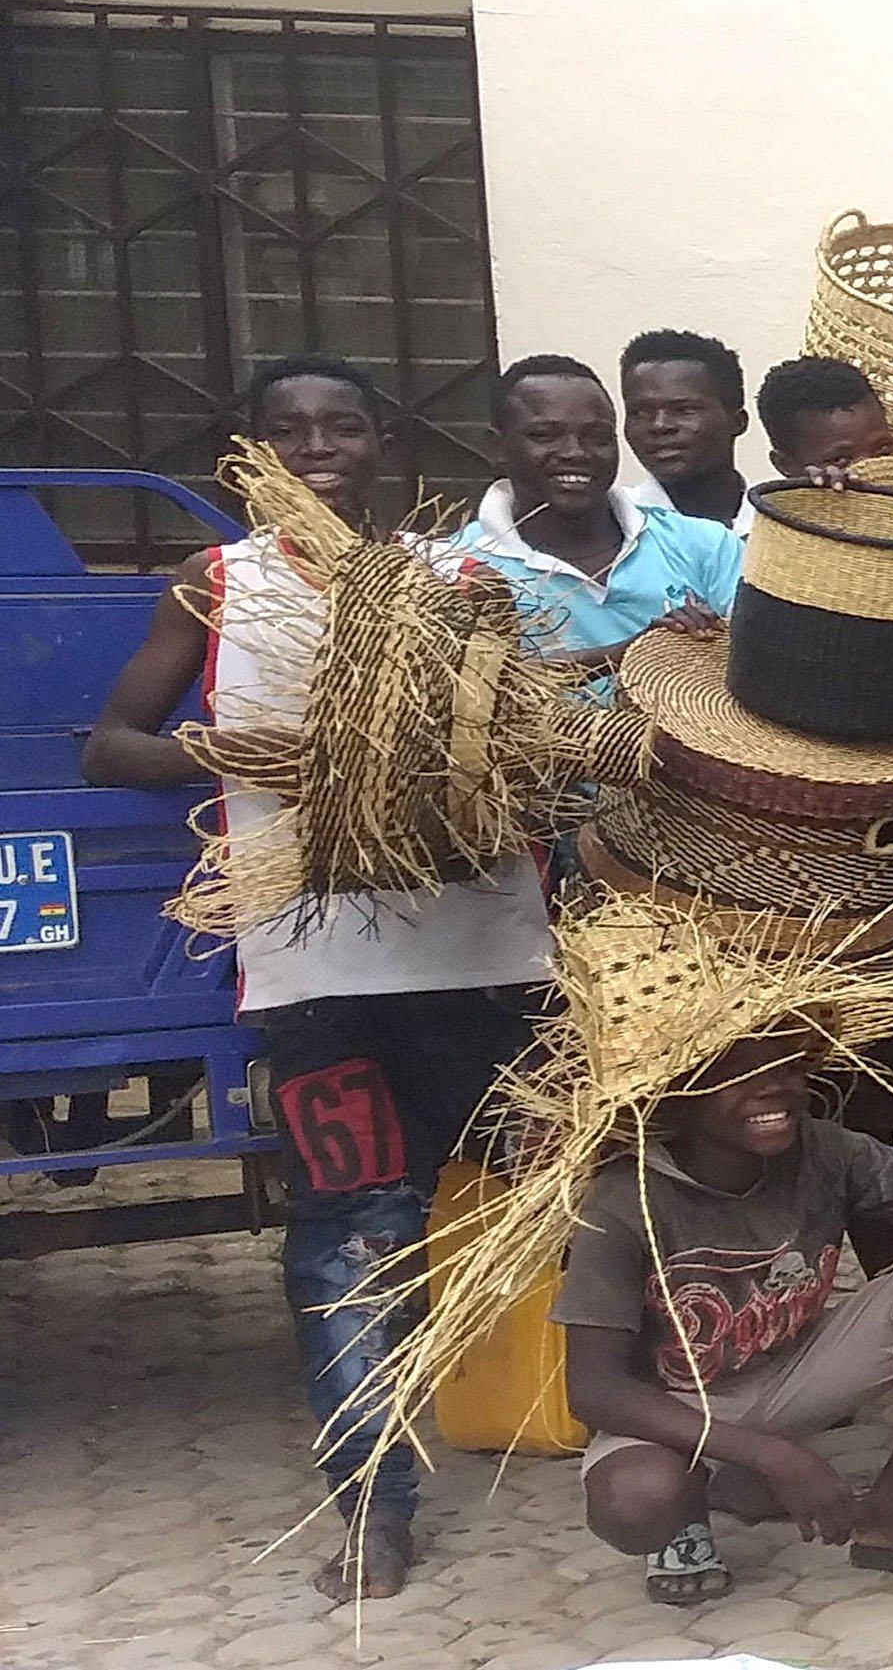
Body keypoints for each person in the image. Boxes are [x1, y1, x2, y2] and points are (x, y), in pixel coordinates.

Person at [83, 356, 556, 1602]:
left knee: (572, 1203)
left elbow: (527, 751)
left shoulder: (459, 579)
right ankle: (371, 1504)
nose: (319, 445)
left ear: (384, 442)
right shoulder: (218, 584)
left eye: (343, 423)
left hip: (489, 960)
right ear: (252, 452)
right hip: (316, 974)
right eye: (289, 429)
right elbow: (108, 746)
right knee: (351, 1235)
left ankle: (648, 1457)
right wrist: (254, 752)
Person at [560, 1028, 893, 1603]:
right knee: (635, 1504)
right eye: (744, 1077)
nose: (775, 1091)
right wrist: (774, 1456)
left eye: (787, 1070)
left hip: (799, 1366)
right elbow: (593, 1390)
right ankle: (700, 1498)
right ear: (677, 1093)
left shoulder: (820, 1148)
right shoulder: (622, 1200)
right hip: (677, 1407)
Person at [436, 355, 741, 668]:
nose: (575, 452)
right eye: (544, 435)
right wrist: (632, 654)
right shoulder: (456, 569)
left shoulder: (705, 545)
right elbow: (476, 689)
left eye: (597, 437)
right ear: (496, 446)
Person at [622, 329, 753, 529]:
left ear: (738, 422)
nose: (660, 425)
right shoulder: (611, 524)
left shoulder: (784, 519)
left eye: (684, 410)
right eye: (640, 413)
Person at [756, 354, 893, 482]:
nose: (872, 471)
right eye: (840, 461)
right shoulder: (771, 511)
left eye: (883, 452)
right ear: (785, 465)